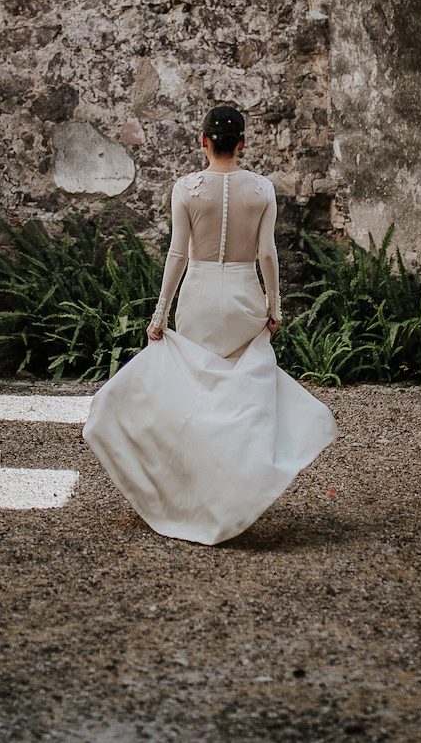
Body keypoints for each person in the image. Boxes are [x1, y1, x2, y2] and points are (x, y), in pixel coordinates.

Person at [82, 106, 339, 545]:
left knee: (195, 393)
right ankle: (236, 490)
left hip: (198, 299)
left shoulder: (185, 187)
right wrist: (274, 307)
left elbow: (177, 255)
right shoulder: (262, 189)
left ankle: (192, 495)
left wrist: (160, 312)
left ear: (203, 141)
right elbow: (267, 255)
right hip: (243, 299)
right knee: (238, 396)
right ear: (242, 143)